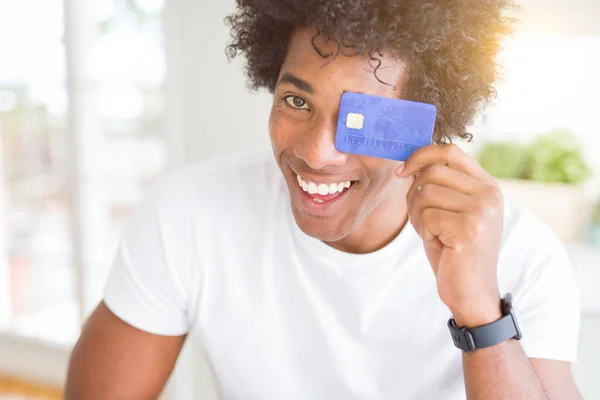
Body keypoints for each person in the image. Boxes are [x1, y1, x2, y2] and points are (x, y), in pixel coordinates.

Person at [65, 0, 582, 399]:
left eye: (361, 118)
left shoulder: (522, 256)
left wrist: (479, 311)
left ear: (425, 122)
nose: (315, 152)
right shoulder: (188, 215)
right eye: (297, 101)